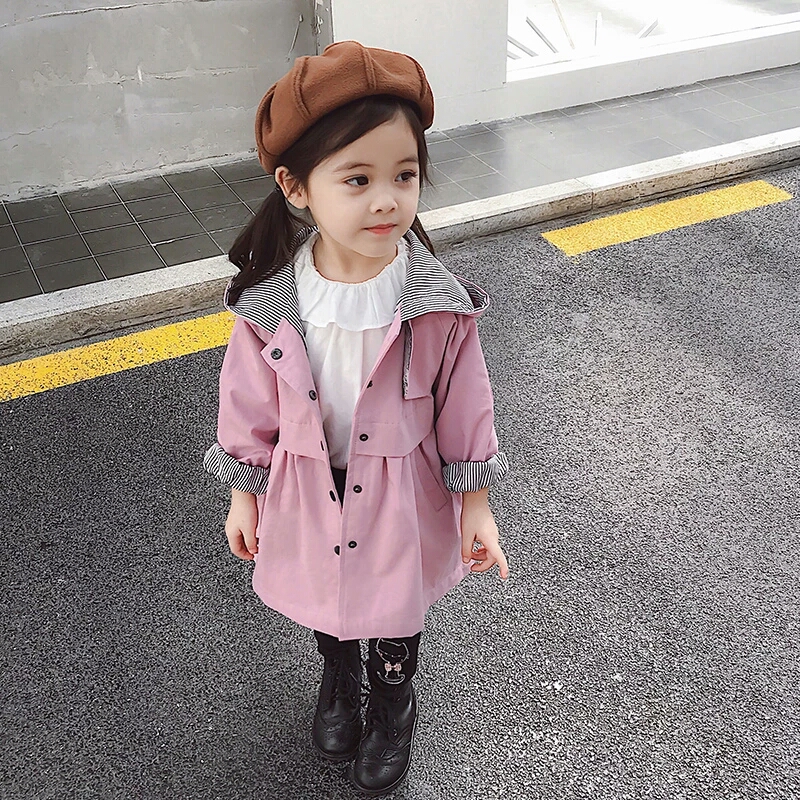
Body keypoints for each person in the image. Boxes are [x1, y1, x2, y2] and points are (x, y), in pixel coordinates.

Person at [203, 40, 510, 796]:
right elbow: (248, 404)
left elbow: (465, 404)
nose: (387, 200)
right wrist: (244, 492)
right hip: (308, 486)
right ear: (296, 187)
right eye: (358, 178)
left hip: (402, 490)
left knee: (395, 606)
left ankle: (393, 701)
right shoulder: (272, 305)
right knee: (327, 592)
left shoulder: (438, 303)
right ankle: (339, 677)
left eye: (404, 175)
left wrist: (476, 504)